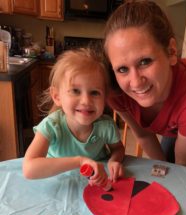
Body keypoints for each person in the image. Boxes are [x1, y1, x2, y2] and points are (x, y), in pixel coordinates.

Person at [103, 0, 186, 177]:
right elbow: (144, 136)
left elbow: (183, 163)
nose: (136, 82)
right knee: (164, 166)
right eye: (122, 69)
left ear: (171, 52)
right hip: (182, 120)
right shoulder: (116, 91)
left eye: (145, 61)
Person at [23, 48, 125, 186]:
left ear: (105, 98)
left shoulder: (106, 126)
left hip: (96, 186)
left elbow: (118, 149)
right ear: (57, 96)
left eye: (95, 93)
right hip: (58, 185)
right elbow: (29, 169)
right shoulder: (51, 126)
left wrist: (114, 160)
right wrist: (79, 161)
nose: (86, 101)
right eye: (75, 91)